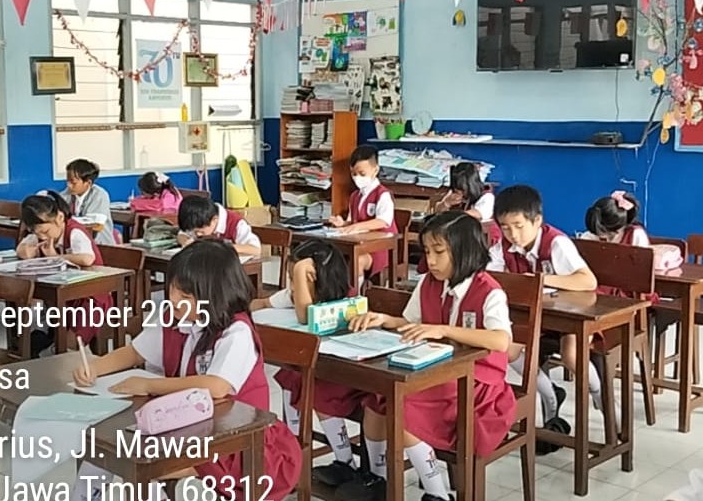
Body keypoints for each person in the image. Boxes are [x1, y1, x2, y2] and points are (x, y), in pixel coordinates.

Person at [70, 240, 301, 501]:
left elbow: (216, 387)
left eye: (185, 296)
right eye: (172, 289)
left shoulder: (236, 332)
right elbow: (135, 351)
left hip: (235, 444)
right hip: (187, 429)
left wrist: (148, 385)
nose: (173, 300)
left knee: (139, 463)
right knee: (104, 451)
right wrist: (94, 367)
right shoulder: (175, 319)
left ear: (214, 296)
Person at [337, 212, 515, 501]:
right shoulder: (429, 283)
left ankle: (438, 494)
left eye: (439, 252)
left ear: (464, 250)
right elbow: (412, 323)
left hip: (475, 383)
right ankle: (377, 480)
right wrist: (383, 319)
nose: (430, 260)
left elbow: (501, 339)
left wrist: (443, 329)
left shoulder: (489, 291)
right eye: (427, 252)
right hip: (434, 373)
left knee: (402, 409)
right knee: (377, 401)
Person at [255, 239, 365, 486]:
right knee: (289, 378)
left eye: (296, 278)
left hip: (343, 375)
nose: (293, 287)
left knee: (315, 391)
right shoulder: (295, 294)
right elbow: (263, 304)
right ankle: (292, 450)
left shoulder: (345, 299)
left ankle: (344, 460)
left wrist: (299, 273)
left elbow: (306, 316)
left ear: (314, 276)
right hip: (314, 369)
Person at [488, 184, 597, 426]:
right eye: (505, 227)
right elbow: (490, 276)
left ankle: (603, 399)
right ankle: (549, 394)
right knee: (506, 350)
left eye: (519, 226)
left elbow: (588, 281)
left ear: (537, 221)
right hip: (534, 314)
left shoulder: (556, 243)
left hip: (571, 314)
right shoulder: (503, 247)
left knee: (571, 355)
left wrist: (541, 280)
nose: (512, 234)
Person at [16, 191, 112, 350]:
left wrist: (55, 257)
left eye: (45, 232)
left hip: (91, 296)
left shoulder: (74, 231)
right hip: (64, 296)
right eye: (36, 232)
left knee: (70, 342)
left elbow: (87, 258)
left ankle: (64, 351)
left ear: (60, 218)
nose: (42, 237)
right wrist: (25, 251)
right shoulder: (40, 232)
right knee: (46, 327)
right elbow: (22, 248)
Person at [328, 145, 398, 285]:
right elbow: (353, 221)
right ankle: (337, 292)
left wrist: (356, 227)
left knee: (357, 261)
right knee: (333, 258)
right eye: (354, 174)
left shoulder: (382, 194)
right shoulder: (355, 196)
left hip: (379, 248)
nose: (357, 178)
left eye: (362, 173)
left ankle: (353, 295)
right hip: (358, 244)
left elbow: (383, 221)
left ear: (375, 170)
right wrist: (343, 224)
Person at [418, 162, 499, 274]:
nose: (459, 193)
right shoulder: (453, 194)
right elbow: (438, 210)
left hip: (478, 237)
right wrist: (446, 203)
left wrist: (453, 216)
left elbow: (477, 213)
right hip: (458, 234)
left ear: (471, 185)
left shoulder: (487, 196)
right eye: (456, 189)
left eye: (462, 189)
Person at [177, 195, 261, 256]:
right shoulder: (198, 221)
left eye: (201, 231)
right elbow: (181, 234)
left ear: (214, 219)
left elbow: (255, 249)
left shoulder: (236, 223)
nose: (198, 234)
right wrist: (187, 242)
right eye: (195, 231)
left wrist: (220, 248)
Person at [62, 158, 115, 245]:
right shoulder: (66, 194)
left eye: (73, 182)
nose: (69, 185)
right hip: (78, 242)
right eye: (67, 181)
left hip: (101, 244)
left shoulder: (99, 195)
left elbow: (94, 224)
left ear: (88, 183)